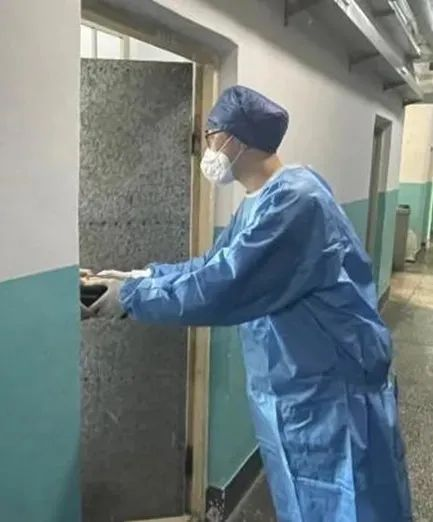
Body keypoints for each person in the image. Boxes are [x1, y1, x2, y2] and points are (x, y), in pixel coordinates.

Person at [81, 85, 412, 522]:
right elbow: (213, 265)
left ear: (236, 138)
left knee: (350, 503)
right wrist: (136, 278)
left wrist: (130, 299)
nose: (207, 144)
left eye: (211, 133)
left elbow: (224, 285)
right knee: (305, 499)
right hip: (300, 389)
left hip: (332, 393)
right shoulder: (263, 201)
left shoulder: (296, 202)